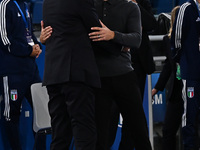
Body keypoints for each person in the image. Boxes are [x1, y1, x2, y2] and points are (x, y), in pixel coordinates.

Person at [42, 0, 121, 149]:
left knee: (60, 134)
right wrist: (119, 46)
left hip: (54, 74)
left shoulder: (48, 2)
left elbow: (56, 32)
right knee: (85, 131)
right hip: (75, 74)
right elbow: (96, 31)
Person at [89, 0, 152, 149]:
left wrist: (112, 35)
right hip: (98, 79)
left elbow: (136, 39)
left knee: (139, 129)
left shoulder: (130, 6)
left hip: (124, 76)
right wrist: (119, 46)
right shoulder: (90, 6)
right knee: (100, 135)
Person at [0, 0, 44, 149]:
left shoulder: (24, 4)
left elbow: (28, 32)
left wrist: (36, 44)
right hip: (13, 72)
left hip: (31, 70)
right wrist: (27, 50)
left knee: (42, 111)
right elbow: (4, 39)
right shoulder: (5, 5)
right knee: (10, 115)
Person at [152, 6, 184, 150]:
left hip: (192, 89)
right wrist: (157, 88)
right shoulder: (168, 40)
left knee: (192, 129)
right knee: (168, 130)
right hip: (176, 92)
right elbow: (167, 67)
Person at [171, 0, 200, 149]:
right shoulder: (186, 8)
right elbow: (176, 40)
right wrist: (183, 61)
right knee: (190, 115)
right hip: (191, 74)